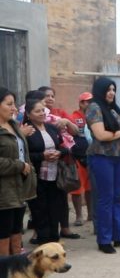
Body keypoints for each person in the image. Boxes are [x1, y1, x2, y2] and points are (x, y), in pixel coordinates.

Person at [85, 77, 120, 254]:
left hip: (117, 156)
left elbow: (118, 134)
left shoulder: (112, 109)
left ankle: (119, 237)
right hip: (101, 157)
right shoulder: (94, 107)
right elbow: (101, 135)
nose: (112, 93)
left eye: (113, 90)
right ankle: (104, 239)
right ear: (99, 90)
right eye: (108, 89)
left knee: (117, 198)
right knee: (105, 199)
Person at [24, 99, 71, 244]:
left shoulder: (52, 128)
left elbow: (65, 146)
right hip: (37, 177)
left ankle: (54, 240)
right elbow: (25, 155)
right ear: (28, 114)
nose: (41, 113)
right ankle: (43, 241)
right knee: (39, 210)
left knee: (54, 209)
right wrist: (42, 156)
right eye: (37, 111)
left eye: (43, 110)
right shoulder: (27, 130)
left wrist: (59, 153)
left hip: (55, 175)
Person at [38, 85, 80, 239]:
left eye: (52, 96)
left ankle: (65, 228)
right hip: (42, 163)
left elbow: (76, 131)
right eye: (46, 96)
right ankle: (40, 232)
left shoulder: (60, 114)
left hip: (61, 160)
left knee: (62, 196)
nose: (50, 99)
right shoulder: (34, 116)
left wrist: (66, 122)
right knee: (41, 201)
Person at [0, 87, 36, 255]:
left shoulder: (14, 126)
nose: (14, 108)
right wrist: (19, 166)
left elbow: (23, 153)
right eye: (9, 104)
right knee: (3, 232)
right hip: (3, 192)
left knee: (17, 230)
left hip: (19, 188)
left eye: (14, 104)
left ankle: (15, 269)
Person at [69, 92, 93, 226]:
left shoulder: (95, 115)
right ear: (81, 103)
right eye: (86, 101)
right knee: (77, 188)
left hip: (91, 156)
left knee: (90, 188)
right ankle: (79, 216)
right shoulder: (74, 117)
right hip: (78, 157)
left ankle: (90, 214)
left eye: (90, 101)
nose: (88, 104)